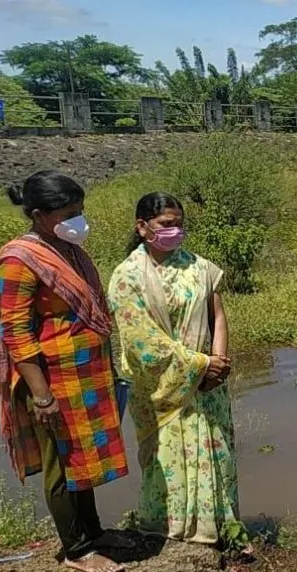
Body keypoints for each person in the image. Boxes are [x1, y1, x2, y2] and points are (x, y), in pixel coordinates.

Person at [0, 170, 129, 572]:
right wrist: (42, 395)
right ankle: (76, 548)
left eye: (80, 211)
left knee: (81, 457)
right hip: (51, 379)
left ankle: (94, 531)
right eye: (69, 214)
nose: (78, 220)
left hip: (84, 376)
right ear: (38, 215)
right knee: (61, 465)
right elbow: (15, 333)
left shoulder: (68, 251)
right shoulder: (19, 261)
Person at [107, 192, 239, 547]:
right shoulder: (127, 277)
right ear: (142, 227)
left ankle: (221, 528)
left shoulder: (200, 267)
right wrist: (200, 365)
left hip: (208, 383)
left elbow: (217, 316)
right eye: (166, 224)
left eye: (179, 224)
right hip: (160, 389)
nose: (175, 230)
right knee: (165, 458)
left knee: (216, 452)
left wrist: (218, 362)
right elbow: (141, 342)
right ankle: (168, 528)